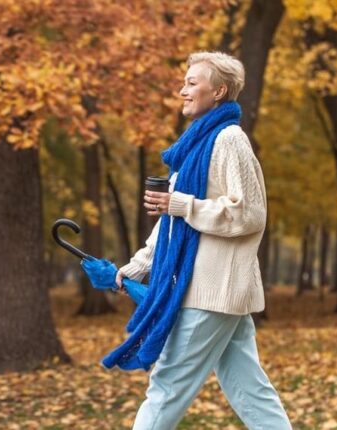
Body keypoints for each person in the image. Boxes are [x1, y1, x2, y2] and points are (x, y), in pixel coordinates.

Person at [112, 51, 292, 429]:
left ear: (219, 91)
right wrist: (138, 266)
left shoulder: (229, 140)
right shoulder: (196, 145)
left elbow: (250, 214)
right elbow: (173, 223)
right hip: (214, 290)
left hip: (211, 291)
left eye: (193, 83)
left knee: (166, 387)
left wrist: (181, 204)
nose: (183, 90)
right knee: (249, 388)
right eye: (184, 82)